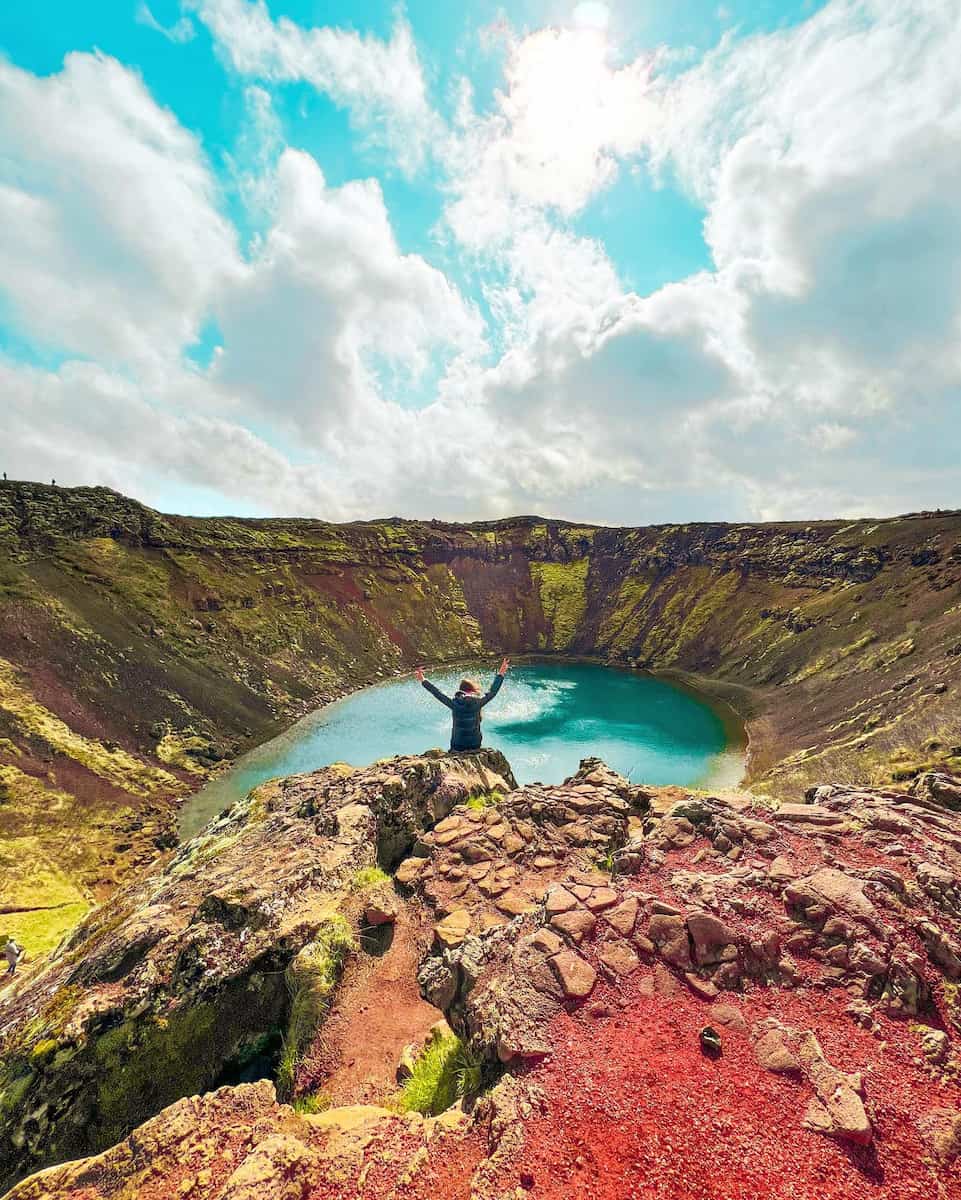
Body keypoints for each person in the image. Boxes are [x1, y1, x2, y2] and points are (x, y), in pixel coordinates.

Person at [416, 658, 510, 751]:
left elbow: (437, 693)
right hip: (475, 745)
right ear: (472, 690)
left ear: (461, 690)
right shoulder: (478, 702)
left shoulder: (455, 704)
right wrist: (501, 673)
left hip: (458, 746)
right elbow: (493, 692)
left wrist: (423, 680)